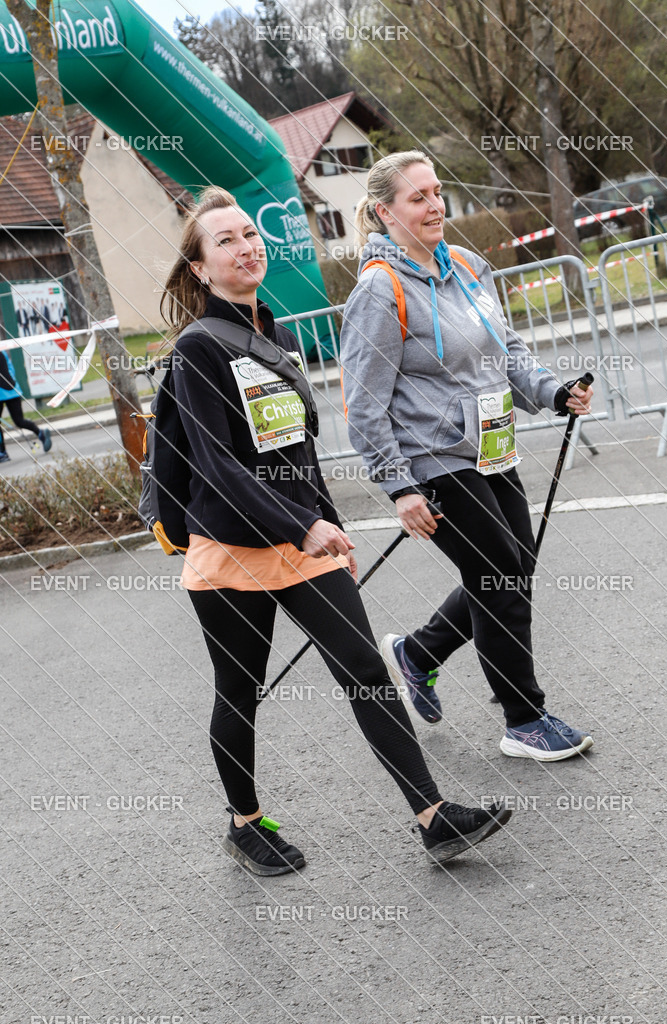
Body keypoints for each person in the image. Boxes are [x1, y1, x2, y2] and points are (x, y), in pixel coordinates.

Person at [159, 185, 512, 876]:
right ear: (199, 268)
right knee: (240, 687)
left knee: (366, 671)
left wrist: (331, 530)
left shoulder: (275, 332)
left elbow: (300, 452)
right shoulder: (197, 349)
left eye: (250, 234)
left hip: (305, 540)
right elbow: (217, 467)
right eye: (225, 240)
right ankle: (244, 820)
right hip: (234, 550)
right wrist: (303, 524)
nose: (246, 246)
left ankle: (432, 816)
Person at [340, 151, 594, 763]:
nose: (434, 206)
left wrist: (550, 392)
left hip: (491, 448)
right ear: (385, 212)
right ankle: (523, 718)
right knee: (501, 577)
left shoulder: (468, 267)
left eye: (437, 193)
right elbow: (365, 402)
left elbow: (507, 349)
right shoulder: (380, 289)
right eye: (418, 198)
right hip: (434, 460)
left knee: (508, 570)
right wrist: (399, 487)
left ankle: (419, 653)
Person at [0, 348, 51, 463]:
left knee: (18, 421)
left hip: (3, 391)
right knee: (19, 421)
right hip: (13, 390)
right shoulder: (3, 350)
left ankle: (2, 453)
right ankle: (40, 433)